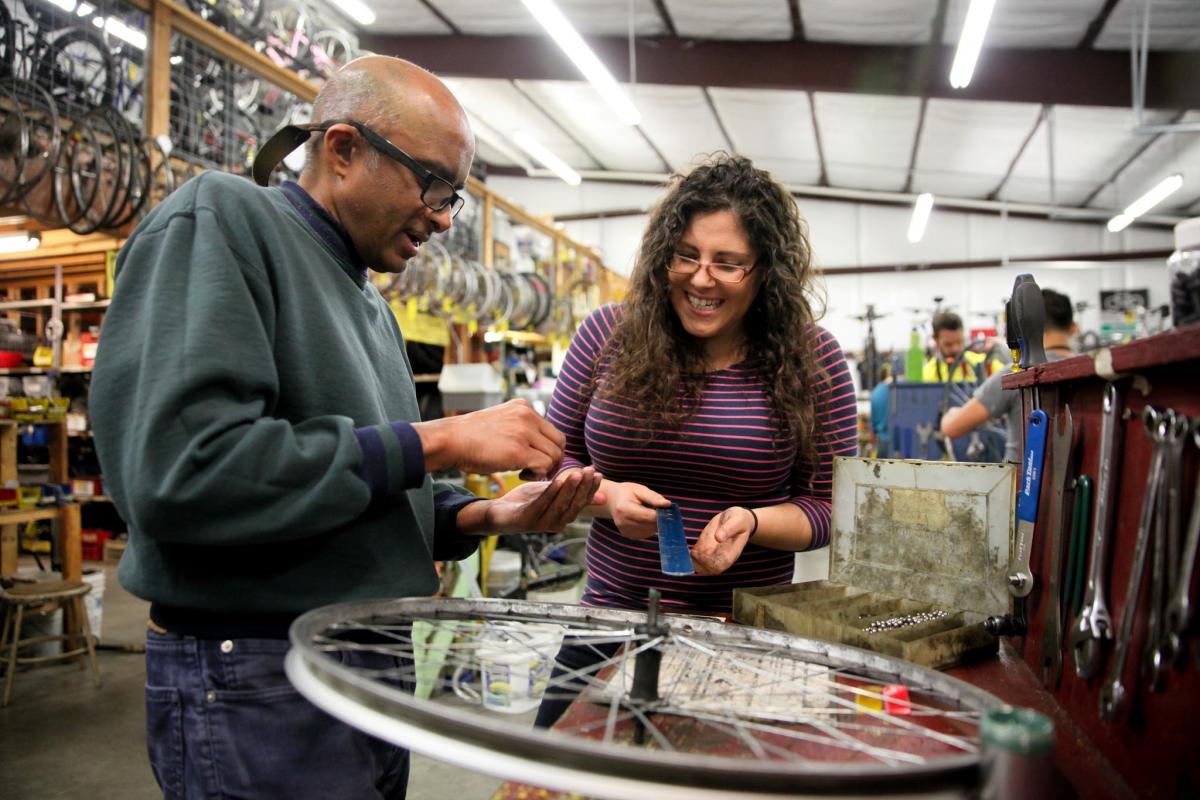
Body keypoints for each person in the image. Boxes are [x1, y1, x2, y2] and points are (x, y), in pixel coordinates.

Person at [89, 57, 602, 799]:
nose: (441, 216)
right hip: (262, 677)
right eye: (432, 185)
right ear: (342, 149)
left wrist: (483, 514)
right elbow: (184, 473)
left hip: (365, 665)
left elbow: (362, 486)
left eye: (452, 197)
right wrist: (443, 440)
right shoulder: (225, 219)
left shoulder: (369, 305)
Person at [534, 154, 857, 726]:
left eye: (728, 264)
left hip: (741, 634)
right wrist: (603, 497)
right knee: (554, 777)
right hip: (610, 623)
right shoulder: (607, 335)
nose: (701, 279)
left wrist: (752, 523)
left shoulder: (814, 359)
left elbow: (832, 507)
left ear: (766, 271)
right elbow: (548, 464)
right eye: (686, 256)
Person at [940, 288, 1077, 462]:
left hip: (1020, 484)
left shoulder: (1018, 375)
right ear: (1073, 327)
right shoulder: (1089, 371)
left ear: (1026, 328)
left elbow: (952, 427)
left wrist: (950, 414)